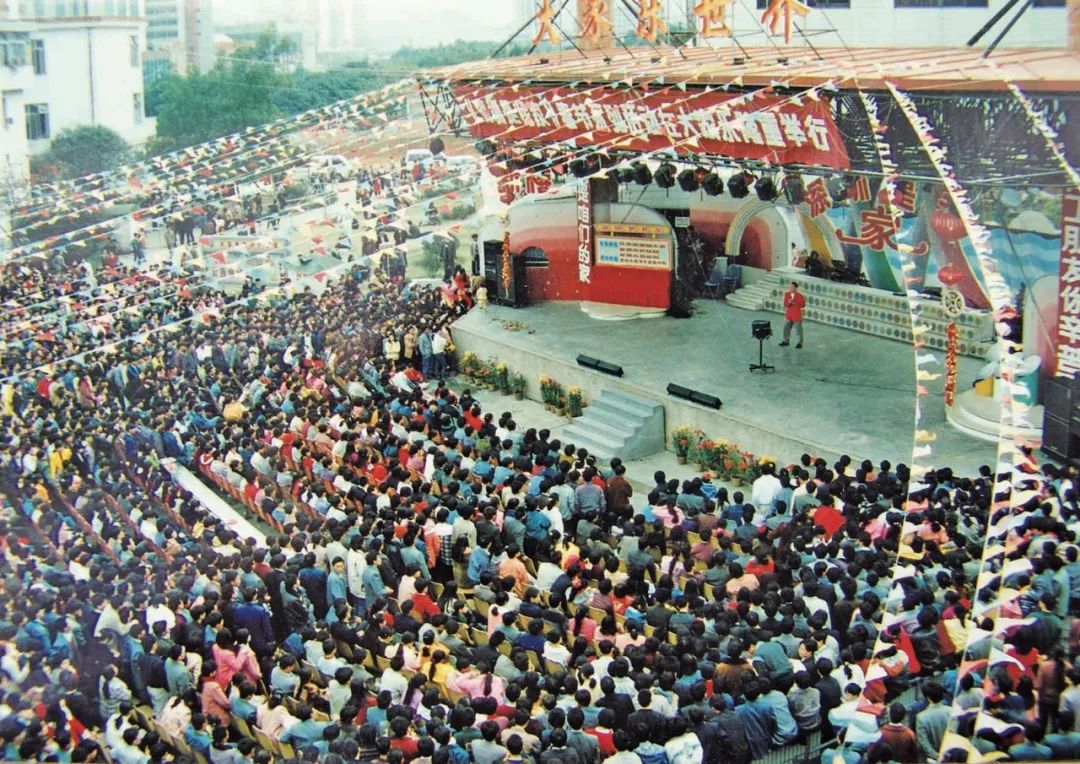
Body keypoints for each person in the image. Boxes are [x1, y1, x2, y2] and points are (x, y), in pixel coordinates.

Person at [779, 281, 805, 348]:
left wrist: (795, 302)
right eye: (789, 286)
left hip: (796, 315)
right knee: (786, 328)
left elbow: (803, 305)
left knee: (798, 330)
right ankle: (786, 341)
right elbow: (785, 304)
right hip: (789, 315)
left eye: (791, 287)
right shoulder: (786, 294)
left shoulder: (800, 296)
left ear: (795, 288)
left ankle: (799, 343)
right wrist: (789, 302)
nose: (790, 288)